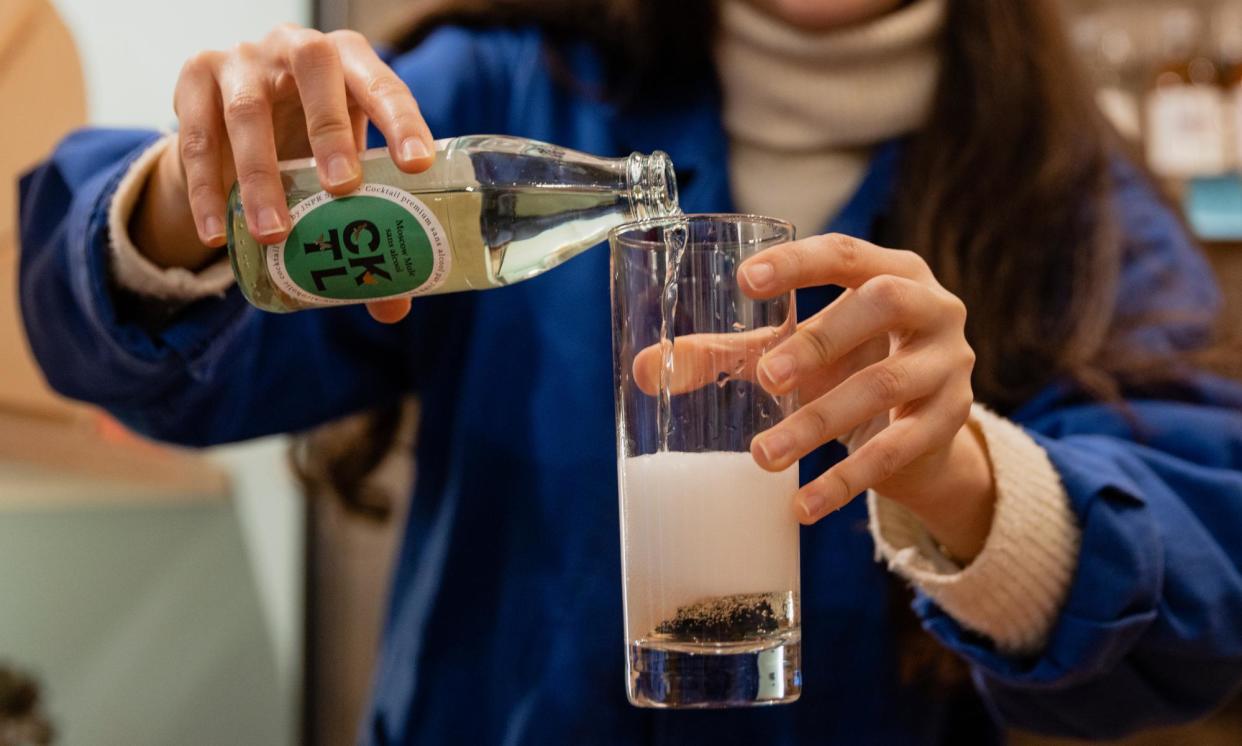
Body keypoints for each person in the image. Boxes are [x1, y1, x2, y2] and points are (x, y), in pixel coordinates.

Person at [17, 0, 1242, 743]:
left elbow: (1205, 567)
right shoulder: (506, 94)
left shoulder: (1071, 205)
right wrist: (196, 202)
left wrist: (969, 474)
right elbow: (152, 364)